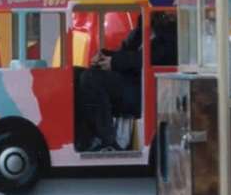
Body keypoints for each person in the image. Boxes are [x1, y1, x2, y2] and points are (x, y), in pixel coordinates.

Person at [75, 11, 176, 152]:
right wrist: (104, 55)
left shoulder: (171, 36)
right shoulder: (142, 30)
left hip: (144, 91)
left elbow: (145, 59)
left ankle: (107, 141)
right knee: (76, 73)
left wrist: (114, 62)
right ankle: (84, 137)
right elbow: (125, 51)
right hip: (128, 83)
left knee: (91, 78)